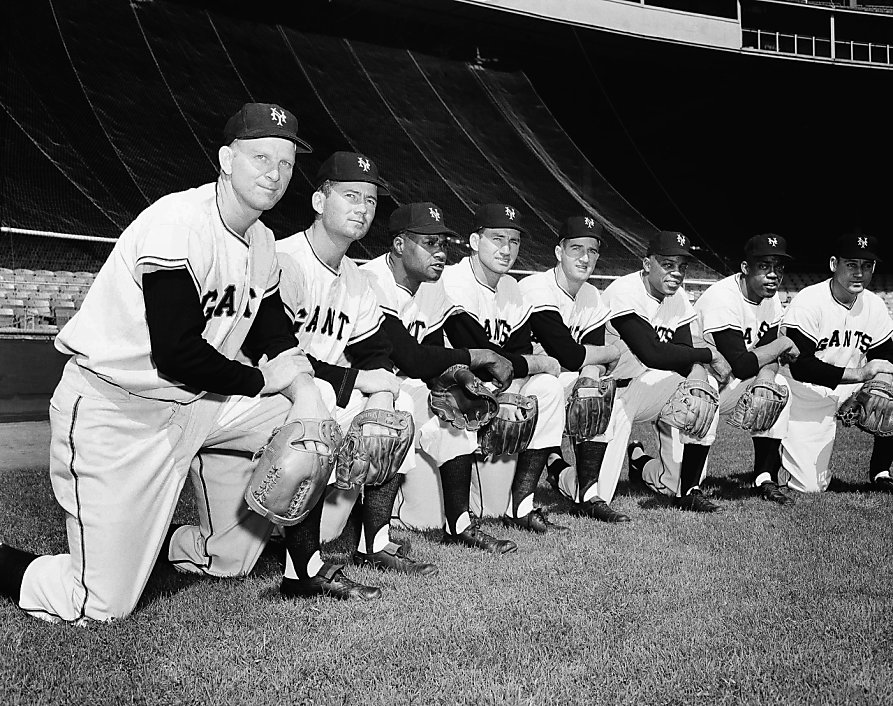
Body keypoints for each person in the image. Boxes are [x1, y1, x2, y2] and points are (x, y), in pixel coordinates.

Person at [0, 103, 334, 621]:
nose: (274, 173)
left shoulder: (263, 240)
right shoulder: (178, 223)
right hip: (120, 409)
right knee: (97, 604)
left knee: (310, 417)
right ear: (226, 159)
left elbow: (275, 333)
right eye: (260, 157)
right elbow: (177, 354)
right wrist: (268, 379)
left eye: (286, 163)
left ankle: (270, 560)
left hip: (201, 406)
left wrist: (306, 390)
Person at [274, 151, 433, 600]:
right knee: (224, 558)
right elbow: (274, 354)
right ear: (319, 201)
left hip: (309, 404)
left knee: (394, 404)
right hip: (256, 397)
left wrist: (380, 396)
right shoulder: (285, 259)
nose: (362, 207)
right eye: (350, 196)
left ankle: (372, 542)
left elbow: (373, 352)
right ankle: (301, 572)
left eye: (369, 199)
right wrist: (359, 383)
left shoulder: (356, 279)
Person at [361, 201, 517, 553]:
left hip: (401, 388)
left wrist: (457, 375)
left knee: (454, 406)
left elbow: (431, 356)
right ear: (400, 245)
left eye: (443, 244)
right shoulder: (372, 279)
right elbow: (412, 359)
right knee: (397, 407)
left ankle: (459, 526)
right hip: (360, 393)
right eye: (429, 243)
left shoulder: (430, 286)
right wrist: (479, 357)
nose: (441, 253)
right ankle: (372, 542)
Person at [551, 231, 731, 512]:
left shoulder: (678, 297)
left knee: (703, 387)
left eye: (682, 267)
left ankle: (686, 490)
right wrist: (709, 354)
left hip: (644, 386)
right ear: (648, 264)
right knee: (593, 492)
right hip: (606, 394)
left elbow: (682, 350)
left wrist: (697, 371)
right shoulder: (625, 291)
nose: (676, 273)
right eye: (668, 265)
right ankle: (556, 466)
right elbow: (653, 353)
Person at [439, 203, 568, 533]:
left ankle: (522, 505)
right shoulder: (454, 281)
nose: (506, 249)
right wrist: (535, 362)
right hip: (454, 392)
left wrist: (512, 388)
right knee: (425, 516)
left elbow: (515, 354)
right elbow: (480, 354)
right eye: (497, 239)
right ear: (473, 240)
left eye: (513, 241)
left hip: (495, 388)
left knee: (549, 388)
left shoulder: (511, 287)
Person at [517, 216, 626, 522]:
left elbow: (586, 362)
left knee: (601, 394)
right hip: (520, 384)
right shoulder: (537, 287)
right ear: (558, 252)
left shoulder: (591, 295)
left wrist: (591, 375)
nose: (584, 257)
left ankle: (587, 495)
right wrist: (611, 351)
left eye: (591, 251)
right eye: (576, 248)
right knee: (557, 385)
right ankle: (525, 497)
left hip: (557, 379)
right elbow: (570, 353)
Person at [683, 234, 800, 505]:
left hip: (732, 381)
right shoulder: (722, 298)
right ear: (746, 268)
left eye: (778, 268)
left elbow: (768, 355)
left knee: (778, 389)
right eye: (764, 267)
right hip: (694, 381)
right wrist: (783, 343)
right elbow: (742, 363)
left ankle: (764, 477)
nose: (773, 275)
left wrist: (767, 376)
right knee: (668, 481)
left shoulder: (770, 299)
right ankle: (687, 488)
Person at [779, 233, 893, 493]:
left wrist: (882, 380)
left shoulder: (874, 305)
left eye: (867, 266)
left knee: (889, 390)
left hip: (847, 386)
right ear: (834, 264)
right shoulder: (808, 302)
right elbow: (801, 366)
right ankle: (781, 448)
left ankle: (881, 471)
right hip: (805, 392)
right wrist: (861, 374)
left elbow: (886, 355)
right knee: (810, 487)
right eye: (851, 264)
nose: (859, 273)